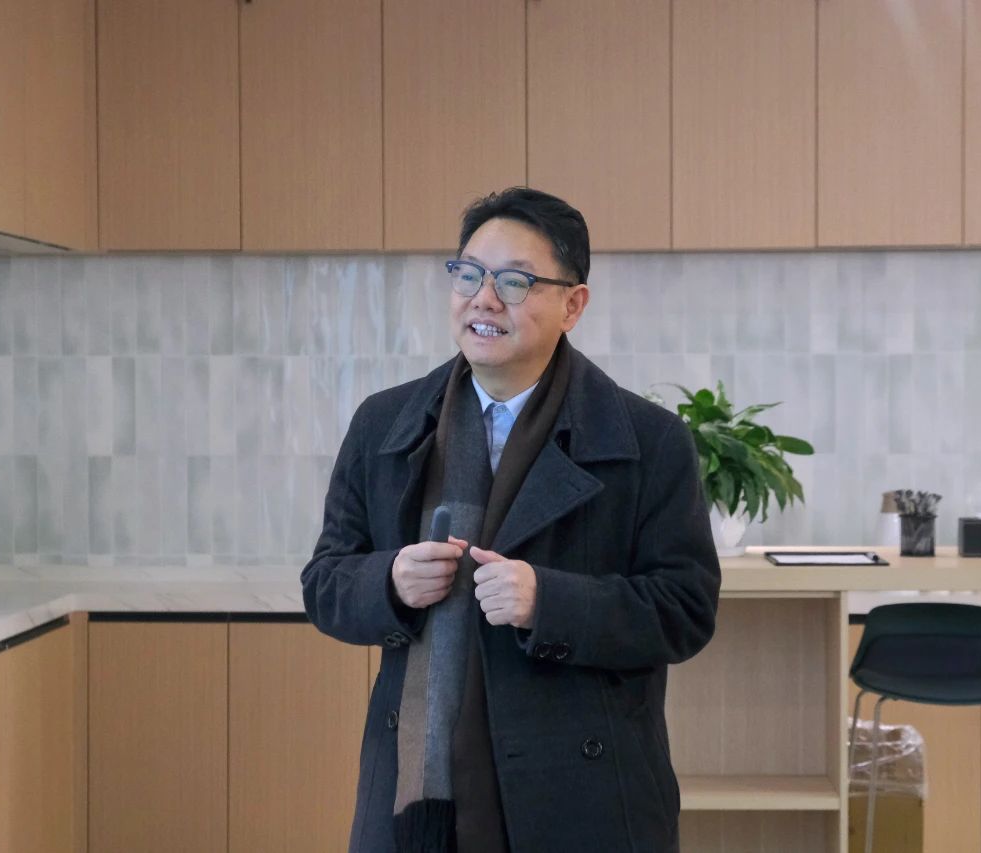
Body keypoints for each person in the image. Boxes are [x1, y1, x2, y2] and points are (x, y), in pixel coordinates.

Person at [301, 187, 721, 853]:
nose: (484, 299)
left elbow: (685, 609)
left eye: (515, 281)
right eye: (468, 274)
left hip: (582, 799)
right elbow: (325, 582)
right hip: (413, 798)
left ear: (573, 304)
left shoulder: (648, 440)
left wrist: (548, 602)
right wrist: (390, 583)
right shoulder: (385, 423)